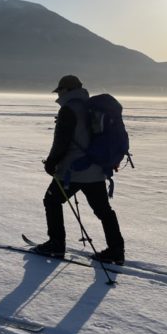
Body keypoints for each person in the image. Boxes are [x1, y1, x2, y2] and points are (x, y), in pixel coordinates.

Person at [33, 75, 126, 265]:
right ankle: (116, 249)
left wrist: (51, 163)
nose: (58, 94)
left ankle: (56, 244)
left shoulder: (69, 109)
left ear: (66, 90)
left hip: (73, 170)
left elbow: (62, 142)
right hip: (95, 168)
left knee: (51, 201)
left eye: (59, 90)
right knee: (103, 210)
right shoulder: (91, 106)